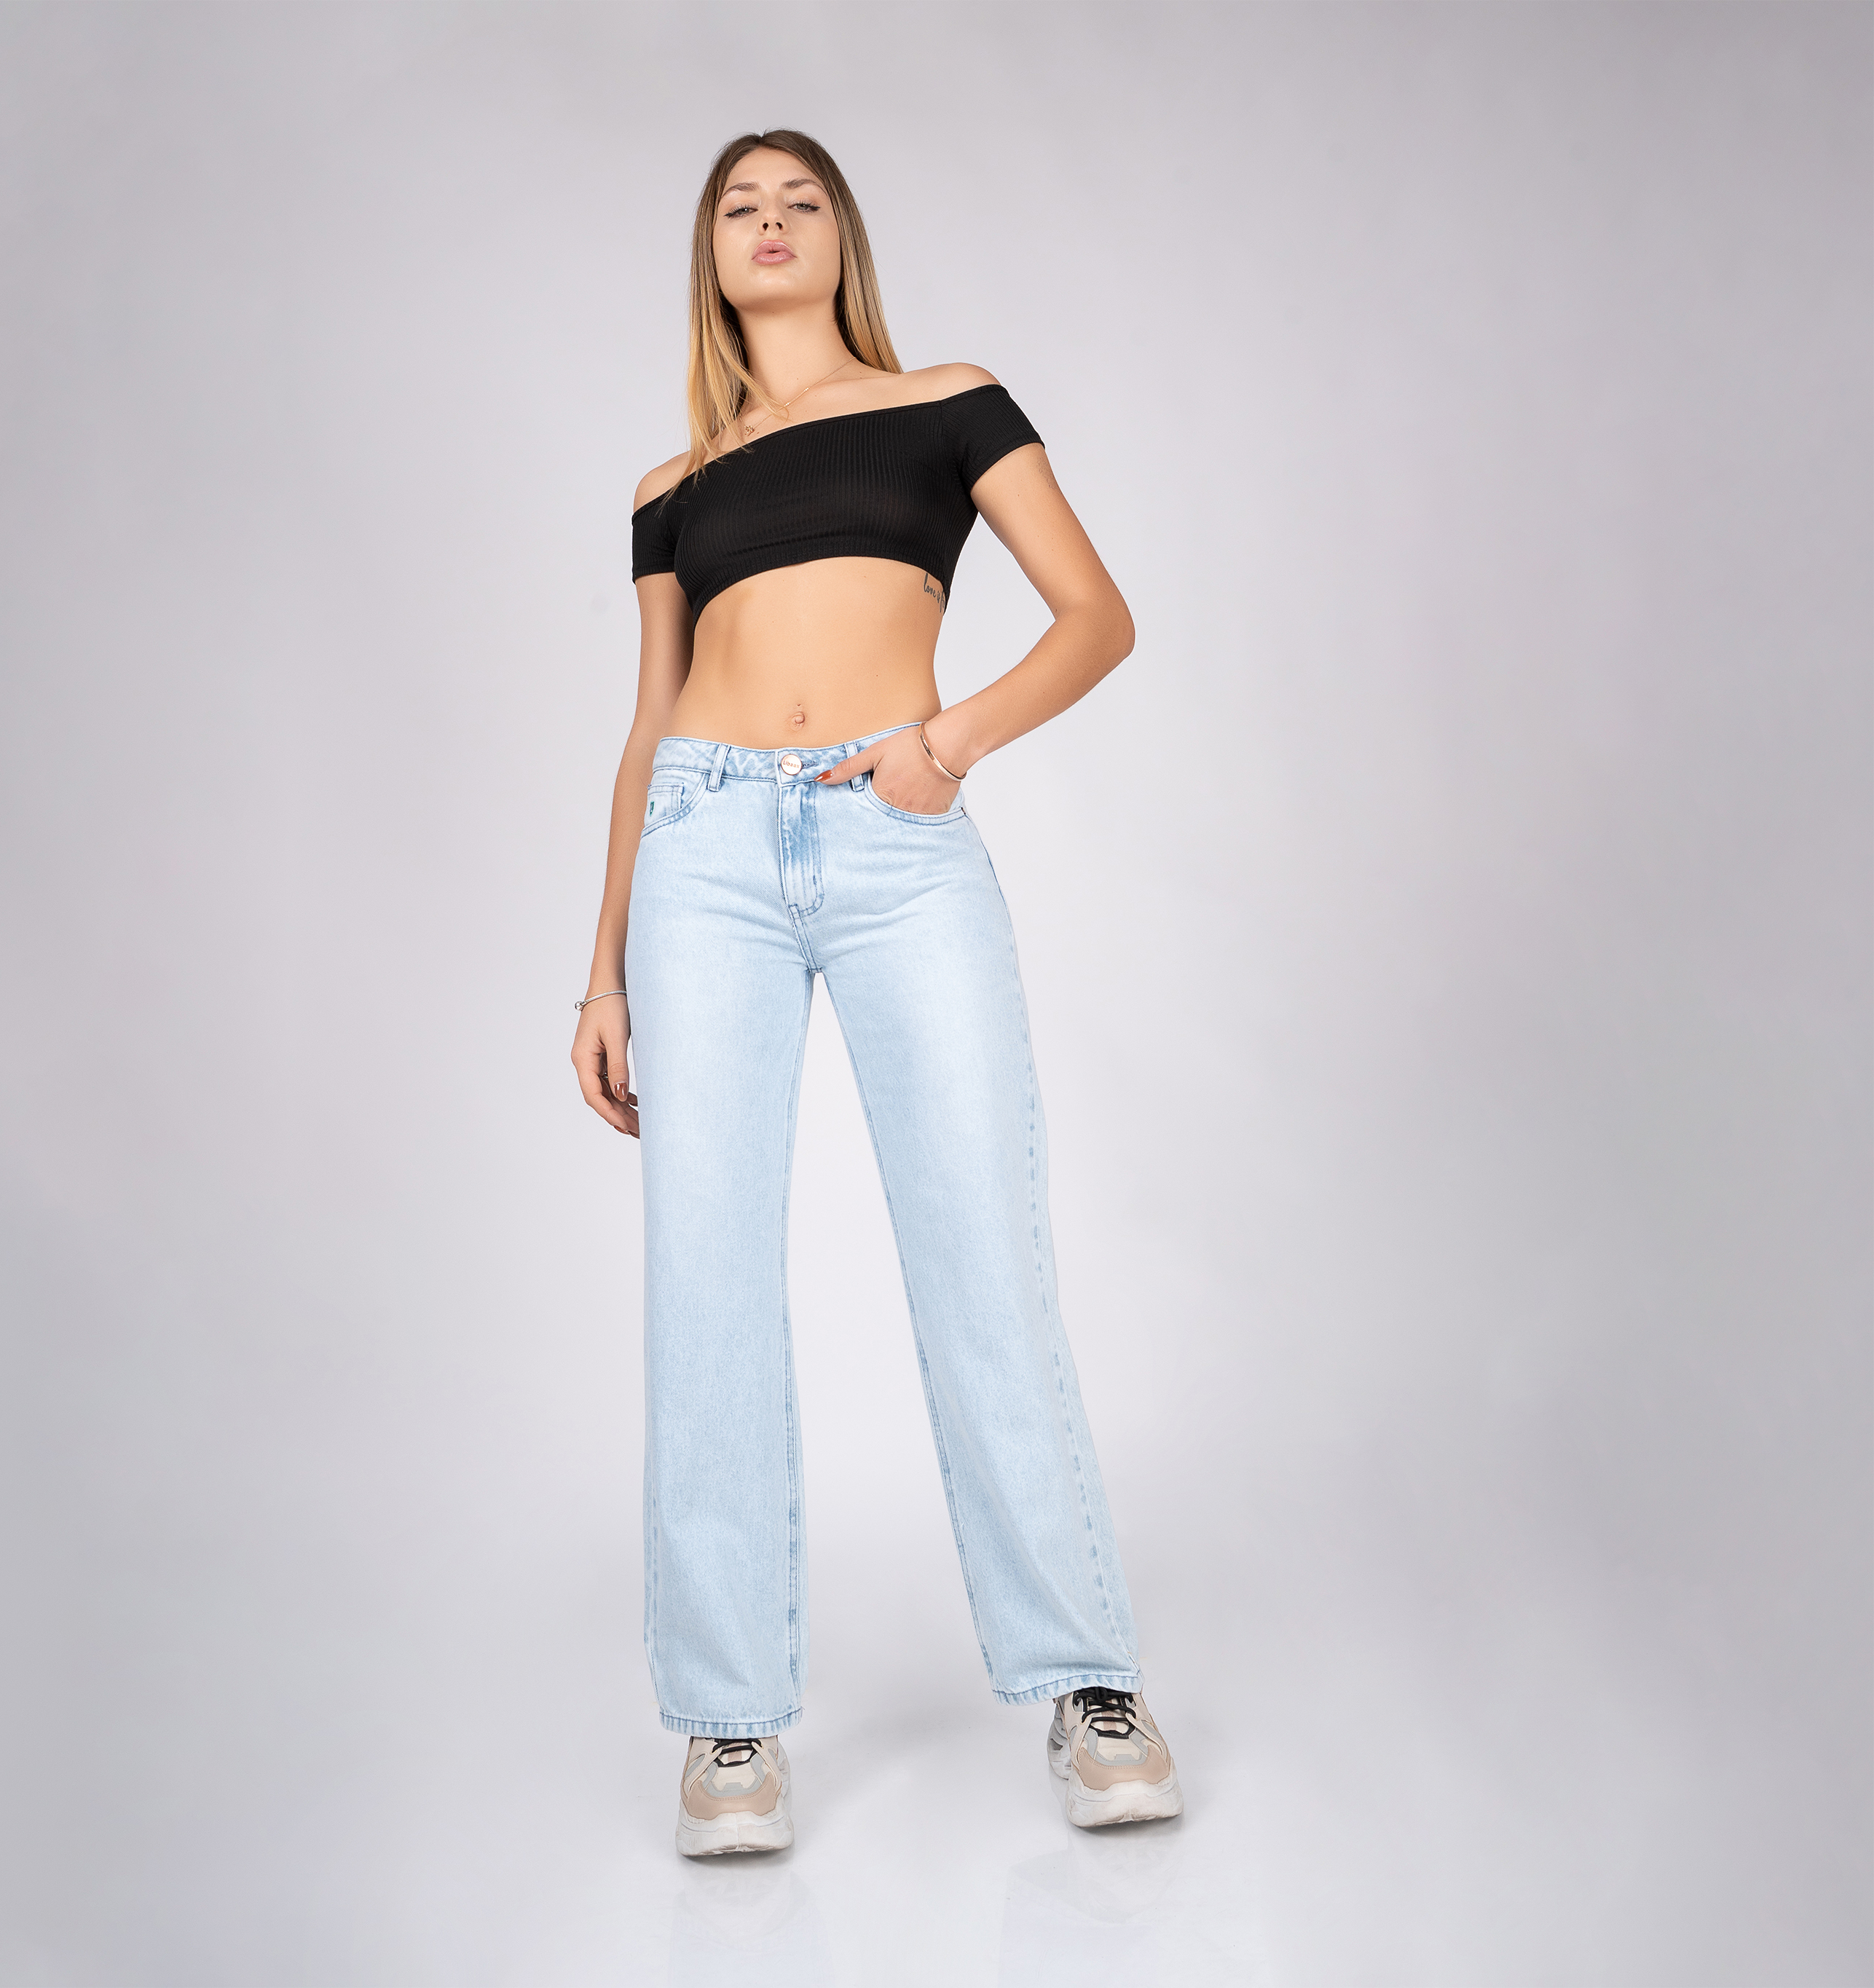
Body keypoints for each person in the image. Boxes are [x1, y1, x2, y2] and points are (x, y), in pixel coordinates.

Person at [572, 127, 1182, 1857]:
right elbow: (649, 724)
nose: (772, 224)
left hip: (897, 840)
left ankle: (1089, 1680)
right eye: (740, 207)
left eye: (801, 202)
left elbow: (1096, 616)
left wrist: (948, 744)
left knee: (984, 1250)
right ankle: (730, 1722)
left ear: (842, 236)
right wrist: (601, 967)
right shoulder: (670, 487)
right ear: (712, 256)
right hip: (703, 855)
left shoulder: (947, 401)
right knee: (705, 1279)